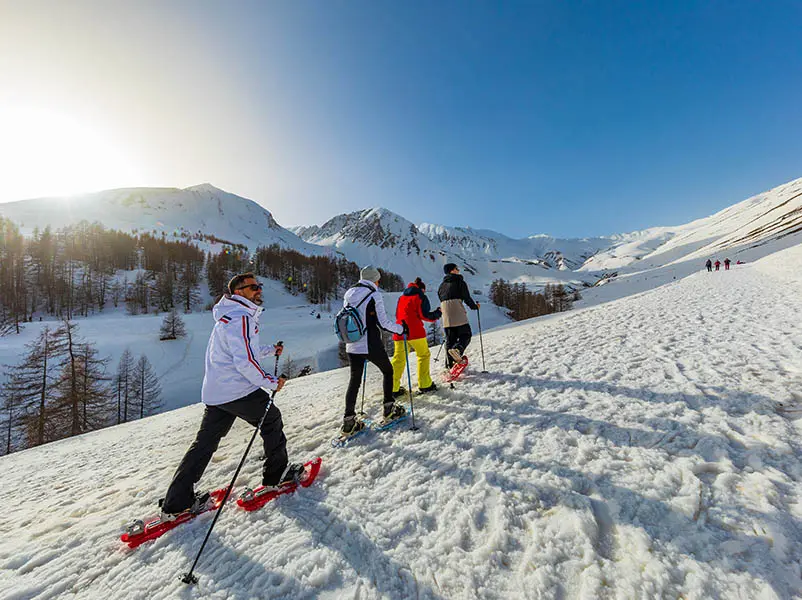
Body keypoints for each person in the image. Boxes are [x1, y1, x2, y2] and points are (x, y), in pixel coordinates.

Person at [159, 273, 302, 517]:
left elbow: (243, 349)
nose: (259, 291)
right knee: (271, 420)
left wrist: (269, 350)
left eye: (259, 286)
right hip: (237, 390)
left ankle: (177, 502)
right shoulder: (242, 318)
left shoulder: (228, 316)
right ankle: (275, 477)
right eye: (253, 287)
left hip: (217, 393)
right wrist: (270, 382)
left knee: (204, 444)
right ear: (238, 292)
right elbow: (244, 361)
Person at [341, 266, 407, 435]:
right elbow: (383, 323)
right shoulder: (373, 294)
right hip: (369, 342)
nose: (379, 282)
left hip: (351, 342)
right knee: (387, 370)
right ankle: (389, 408)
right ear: (374, 279)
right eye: (378, 279)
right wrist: (401, 329)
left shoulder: (349, 293)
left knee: (354, 380)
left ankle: (348, 421)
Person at [391, 278, 442, 395]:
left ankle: (393, 388)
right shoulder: (420, 296)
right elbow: (425, 315)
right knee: (423, 355)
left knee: (398, 360)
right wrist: (438, 313)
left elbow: (398, 314)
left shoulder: (402, 297)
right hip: (415, 332)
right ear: (422, 289)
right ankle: (425, 384)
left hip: (399, 331)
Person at [438, 263, 479, 367]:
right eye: (457, 268)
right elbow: (466, 297)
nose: (458, 270)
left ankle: (449, 364)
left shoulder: (441, 286)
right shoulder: (459, 282)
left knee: (450, 339)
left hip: (446, 314)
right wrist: (474, 306)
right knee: (466, 335)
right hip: (457, 310)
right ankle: (457, 350)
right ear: (452, 271)